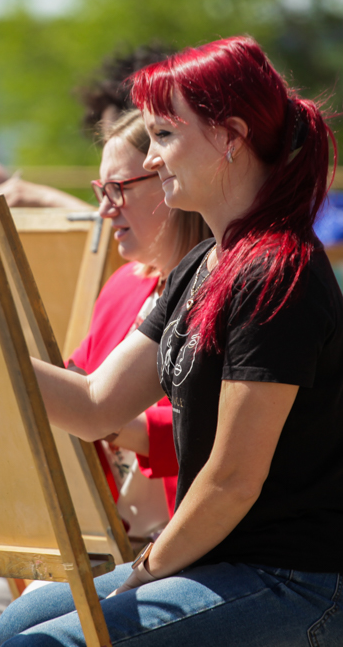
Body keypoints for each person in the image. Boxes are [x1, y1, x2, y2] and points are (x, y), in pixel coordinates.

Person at [0, 36, 343, 646]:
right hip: (233, 566)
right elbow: (95, 405)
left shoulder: (275, 273)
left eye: (163, 136)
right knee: (21, 622)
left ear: (230, 137)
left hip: (316, 584)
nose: (151, 160)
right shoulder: (205, 264)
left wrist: (145, 572)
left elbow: (232, 480)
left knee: (39, 644)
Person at [73, 109, 209, 529]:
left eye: (117, 189)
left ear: (168, 179)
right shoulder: (124, 285)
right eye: (101, 190)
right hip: (102, 530)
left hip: (180, 539)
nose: (104, 211)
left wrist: (104, 418)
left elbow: (217, 436)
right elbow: (75, 379)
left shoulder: (224, 288)